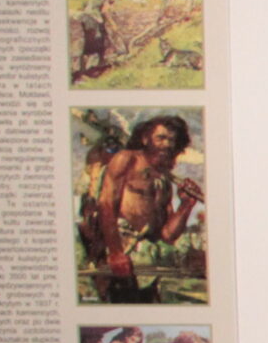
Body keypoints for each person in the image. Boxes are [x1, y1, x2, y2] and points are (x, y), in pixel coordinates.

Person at [80, 114, 201, 303]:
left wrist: (186, 205)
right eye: (161, 138)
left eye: (171, 140)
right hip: (121, 254)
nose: (167, 144)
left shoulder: (164, 180)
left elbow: (168, 235)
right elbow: (107, 204)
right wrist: (116, 252)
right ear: (145, 139)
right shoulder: (127, 159)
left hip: (146, 266)